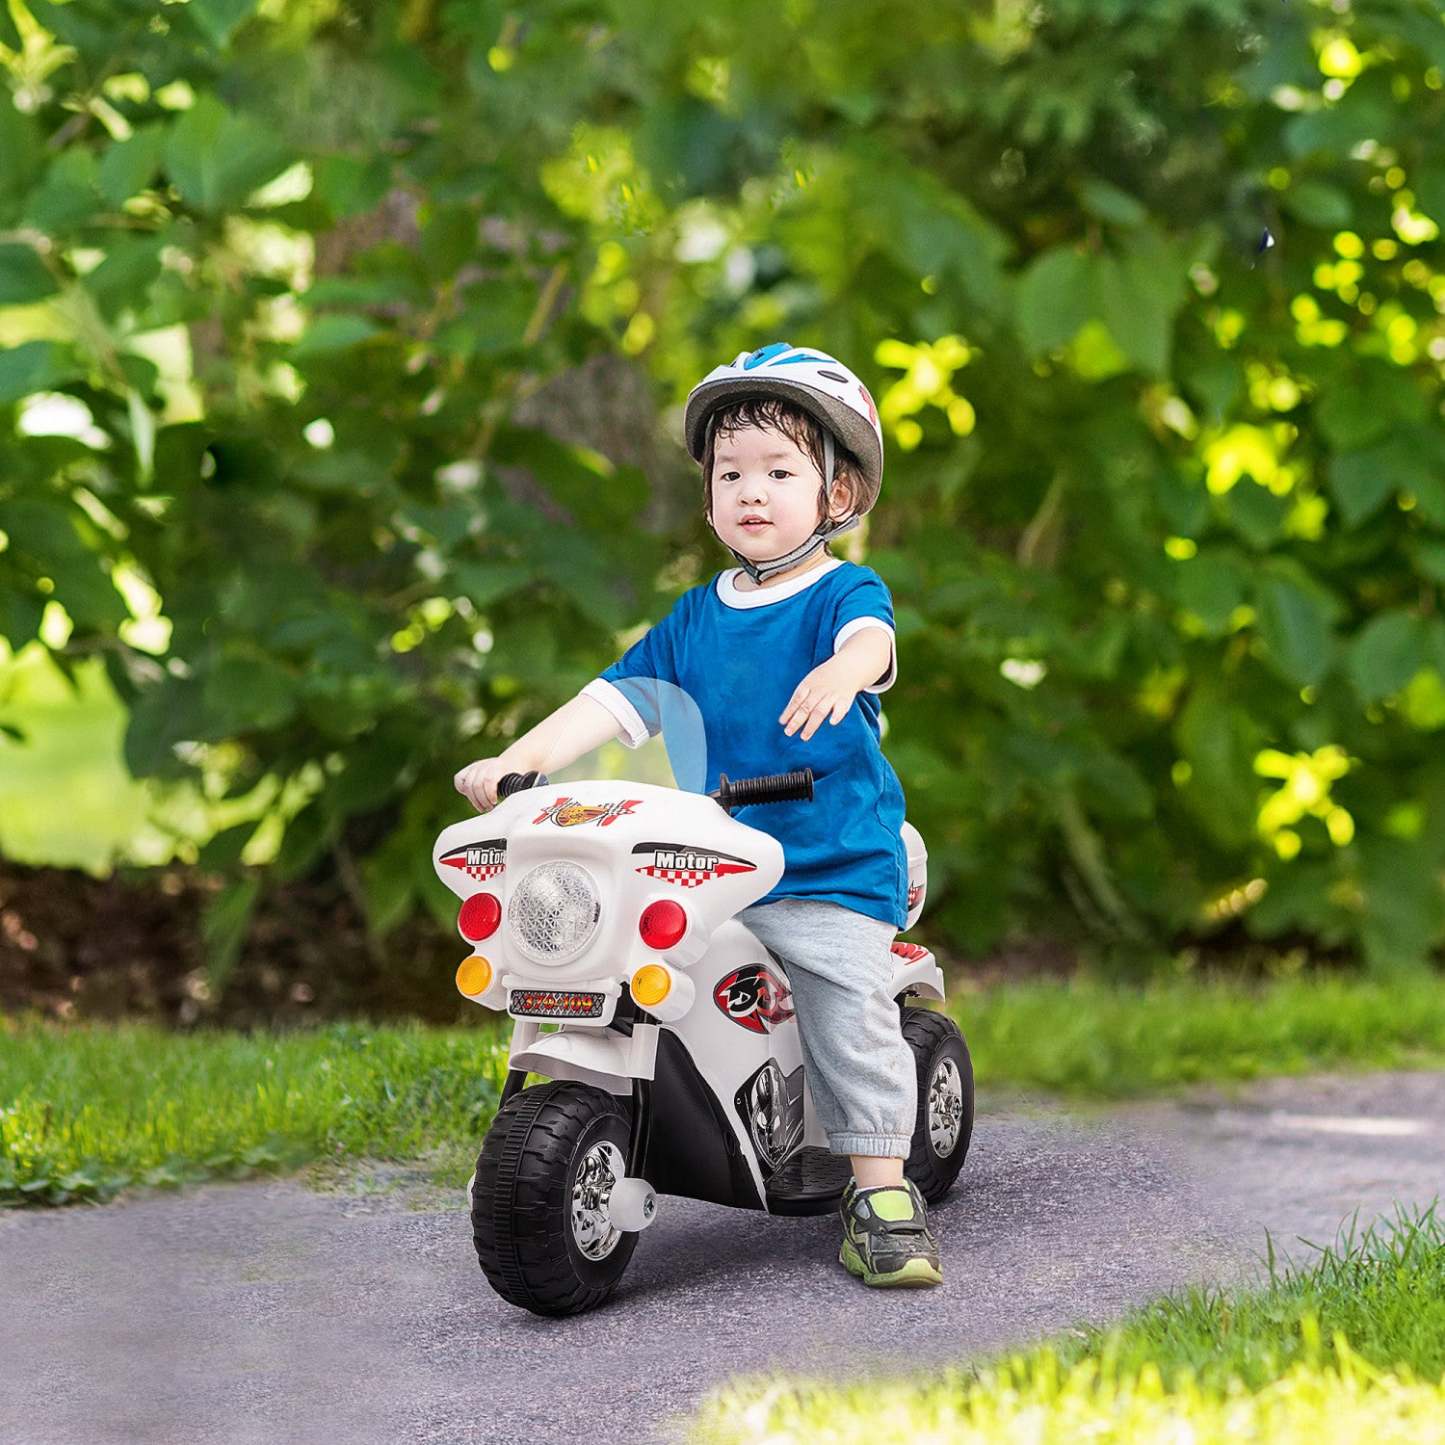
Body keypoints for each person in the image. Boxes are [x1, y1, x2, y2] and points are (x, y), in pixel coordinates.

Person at [454, 341, 942, 1288]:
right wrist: (524, 758)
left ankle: (881, 1187)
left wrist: (847, 668)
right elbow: (619, 697)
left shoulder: (841, 593)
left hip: (822, 864)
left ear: (837, 495)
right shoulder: (694, 615)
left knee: (844, 992)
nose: (751, 491)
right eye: (730, 473)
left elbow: (872, 641)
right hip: (707, 858)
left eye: (779, 470)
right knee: (614, 958)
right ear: (708, 493)